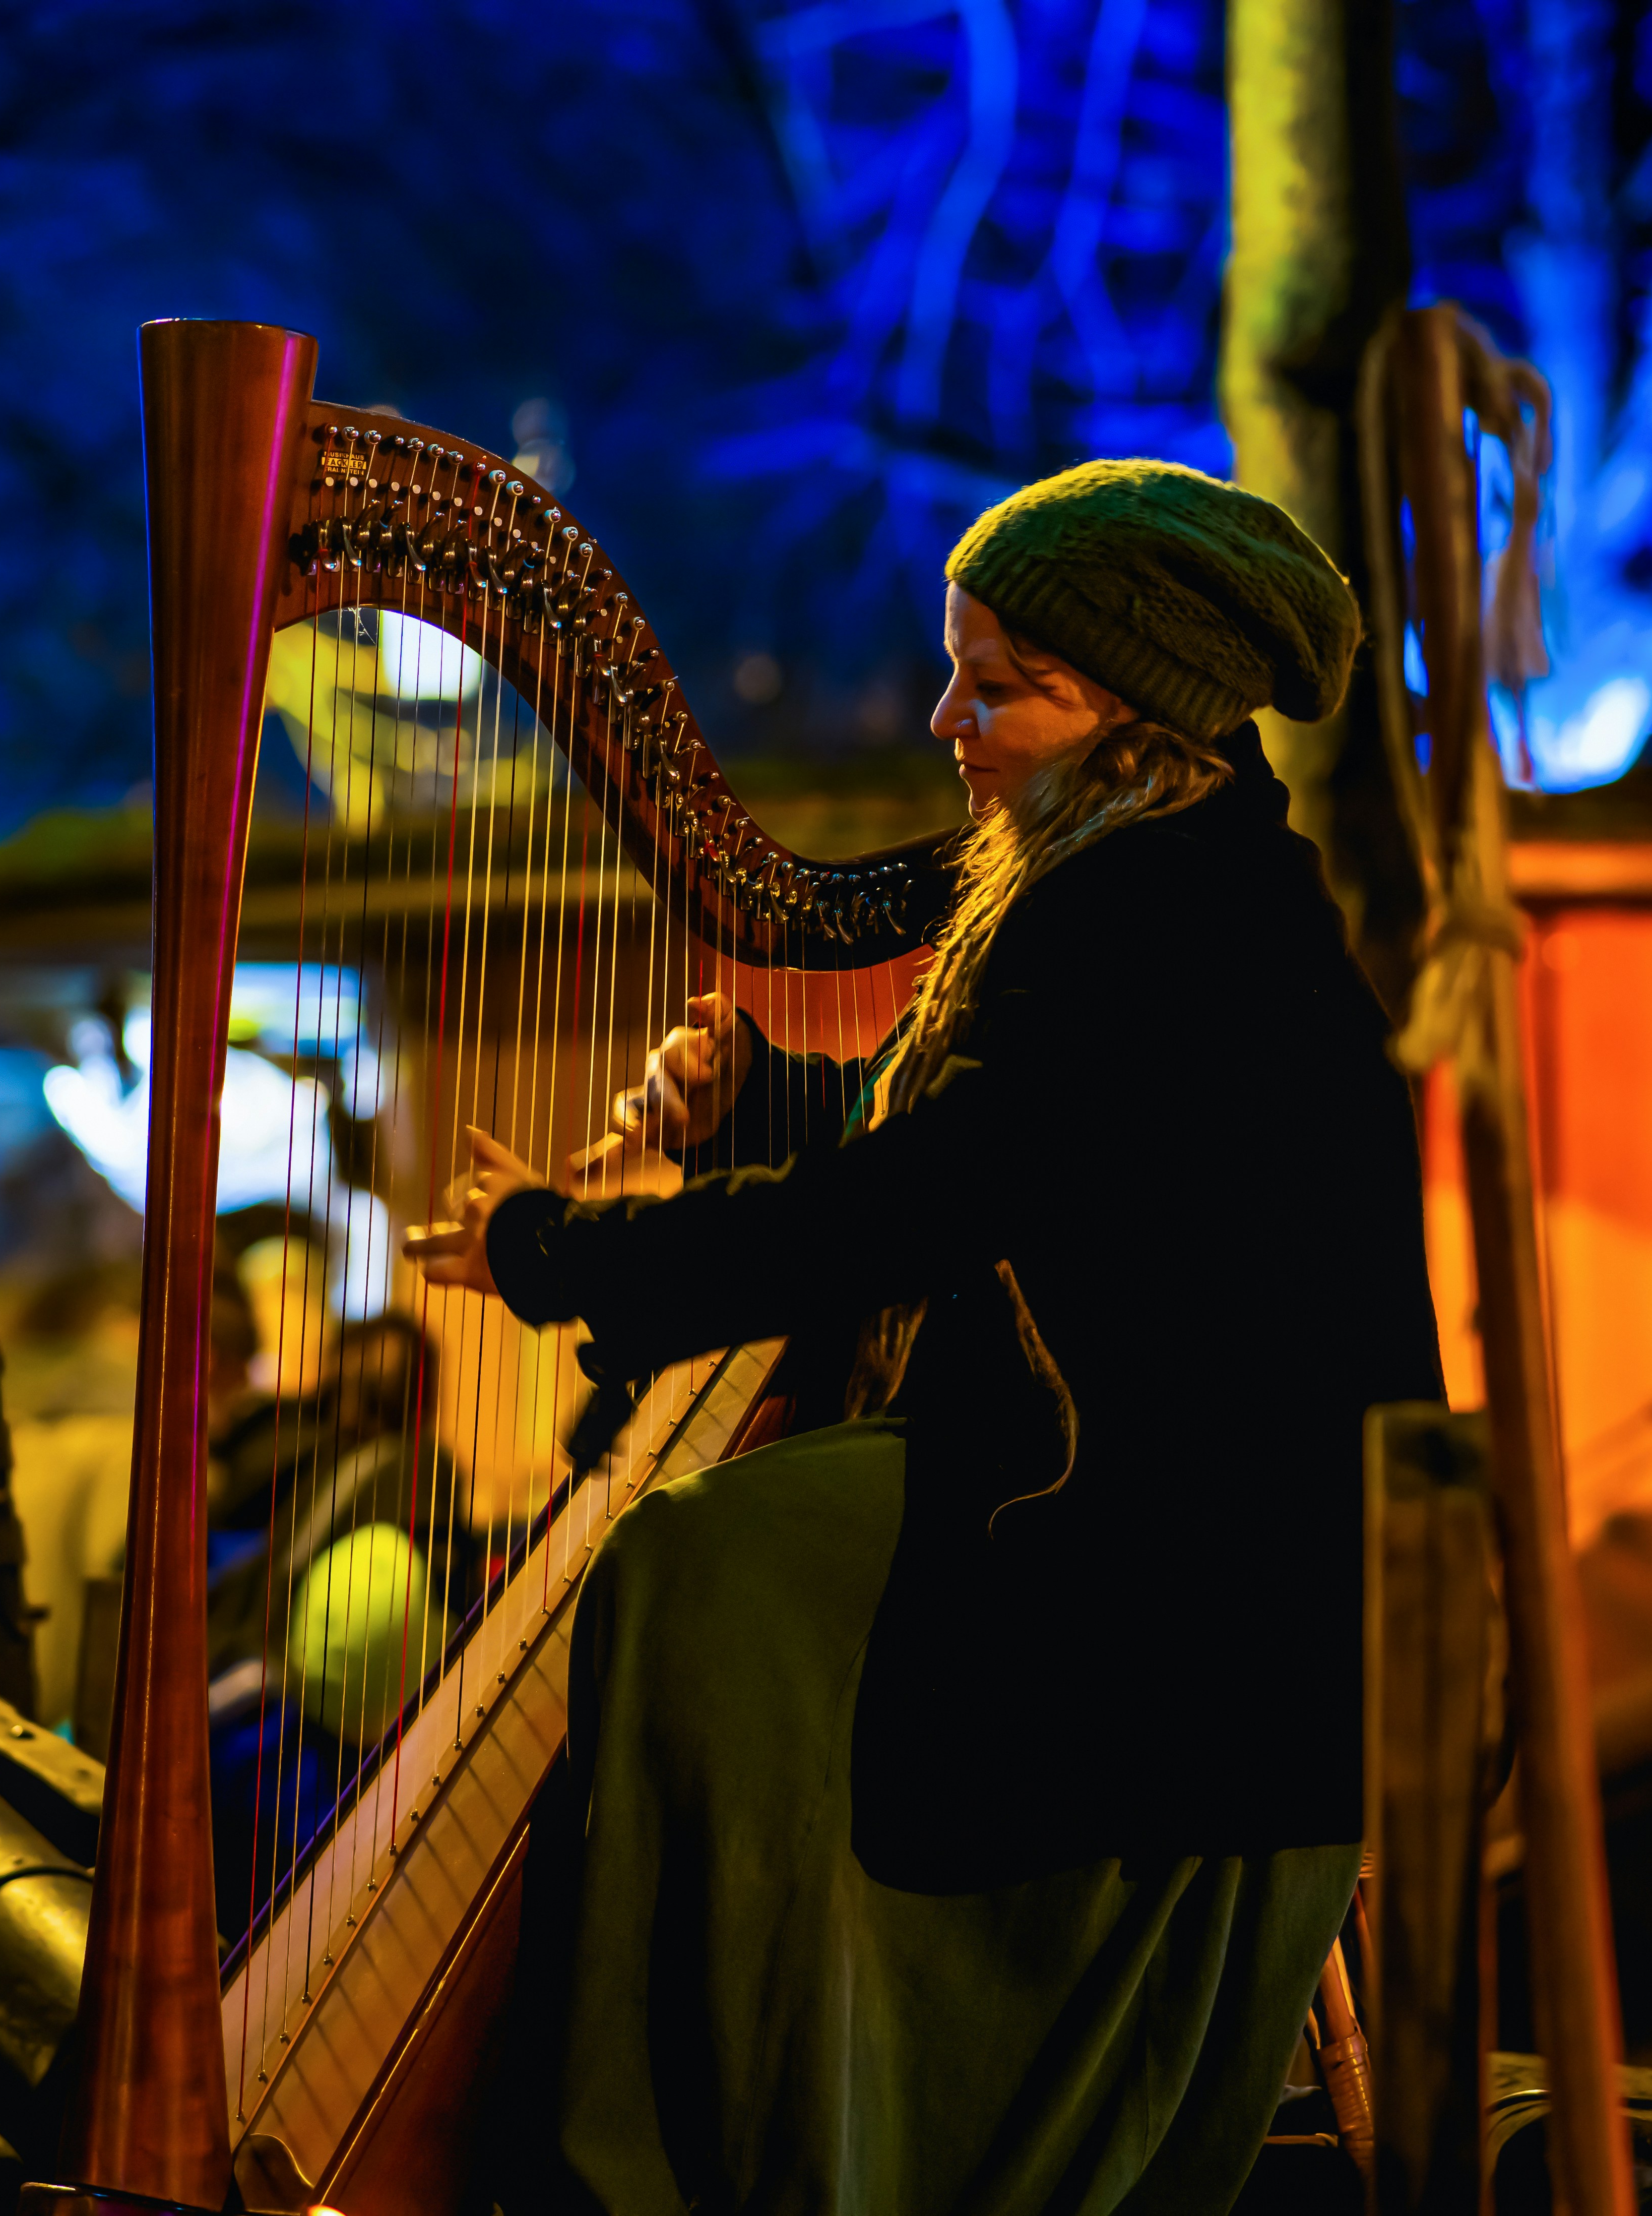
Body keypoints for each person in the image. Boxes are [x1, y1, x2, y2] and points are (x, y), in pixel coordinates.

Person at [408, 459, 1441, 2215]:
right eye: (954, 667)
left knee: (694, 1568)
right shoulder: (1159, 878)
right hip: (1157, 1503)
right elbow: (1015, 1154)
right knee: (721, 1561)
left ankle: (745, 2133)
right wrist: (761, 1103)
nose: (947, 717)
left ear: (1135, 716)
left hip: (1184, 1582)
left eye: (1000, 683)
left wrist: (558, 1250)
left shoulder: (1159, 925)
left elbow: (918, 1208)